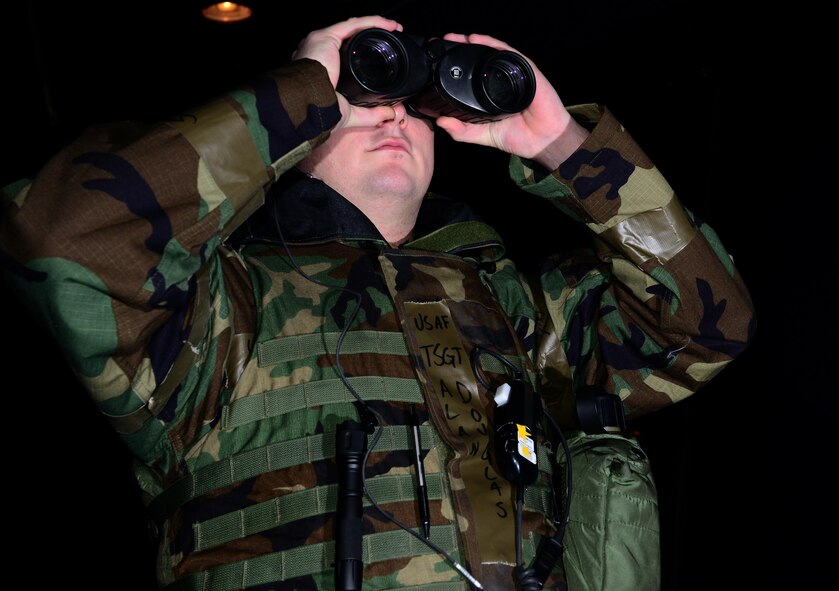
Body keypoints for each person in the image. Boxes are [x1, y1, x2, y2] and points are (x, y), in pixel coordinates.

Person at [0, 14, 755, 591]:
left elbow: (703, 321)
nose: (393, 113)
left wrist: (559, 142)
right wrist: (302, 90)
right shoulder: (217, 311)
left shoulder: (515, 311)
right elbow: (63, 239)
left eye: (409, 101)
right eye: (364, 95)